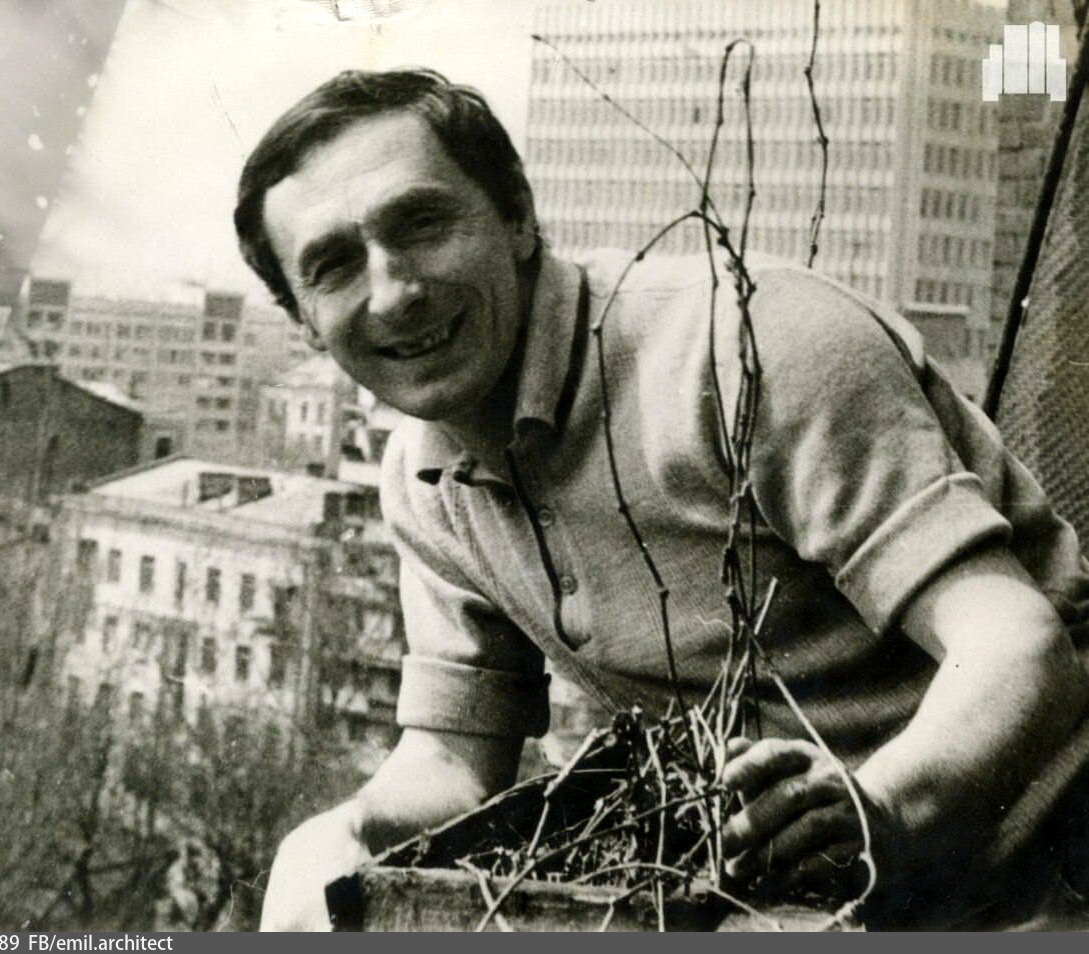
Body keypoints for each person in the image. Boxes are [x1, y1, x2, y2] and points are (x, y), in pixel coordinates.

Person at [234, 68, 1089, 930]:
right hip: (816, 906)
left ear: (518, 215)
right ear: (303, 319)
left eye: (422, 223)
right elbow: (454, 759)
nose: (394, 292)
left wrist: (883, 812)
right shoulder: (423, 481)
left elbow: (1019, 645)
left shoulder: (744, 347)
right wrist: (343, 832)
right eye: (333, 266)